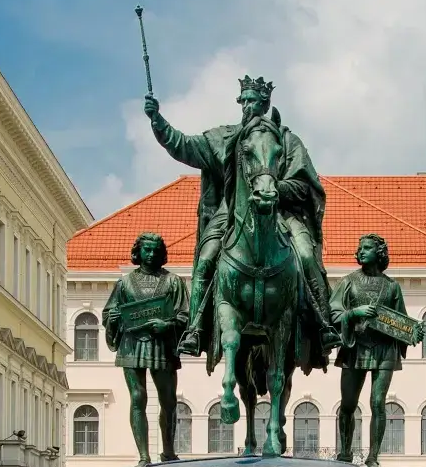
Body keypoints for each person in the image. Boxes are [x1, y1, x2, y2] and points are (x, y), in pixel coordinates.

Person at [142, 77, 338, 364]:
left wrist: (272, 189)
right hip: (230, 212)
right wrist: (157, 120)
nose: (248, 106)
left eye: (254, 101)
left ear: (266, 104)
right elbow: (182, 145)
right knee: (207, 258)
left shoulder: (287, 141)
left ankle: (323, 325)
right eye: (244, 100)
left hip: (281, 214)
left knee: (307, 256)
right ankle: (195, 328)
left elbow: (304, 186)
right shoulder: (223, 138)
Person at [330, 233, 421, 467]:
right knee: (348, 404)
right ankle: (345, 453)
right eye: (359, 248)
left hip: (384, 350)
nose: (361, 251)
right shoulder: (348, 281)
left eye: (367, 248)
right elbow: (333, 313)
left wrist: (413, 333)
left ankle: (373, 457)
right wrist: (354, 313)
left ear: (379, 253)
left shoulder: (392, 286)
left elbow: (400, 321)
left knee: (377, 402)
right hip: (354, 348)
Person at [102, 232, 189, 466]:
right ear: (138, 252)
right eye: (146, 250)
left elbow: (185, 316)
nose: (151, 254)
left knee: (169, 400)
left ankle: (168, 451)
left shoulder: (174, 282)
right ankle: (143, 456)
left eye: (155, 250)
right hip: (131, 344)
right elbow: (109, 313)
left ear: (161, 254)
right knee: (138, 397)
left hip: (162, 344)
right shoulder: (125, 283)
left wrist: (168, 324)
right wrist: (113, 317)